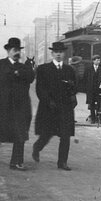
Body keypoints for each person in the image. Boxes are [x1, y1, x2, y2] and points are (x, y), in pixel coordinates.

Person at [0, 38, 35, 170]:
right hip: (2, 106)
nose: (17, 53)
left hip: (20, 106)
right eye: (14, 50)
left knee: (20, 133)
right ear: (8, 51)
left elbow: (31, 77)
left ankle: (16, 162)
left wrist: (18, 72)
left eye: (18, 50)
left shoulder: (23, 67)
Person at [33, 41, 78, 171]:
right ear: (52, 54)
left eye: (61, 52)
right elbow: (39, 89)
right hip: (49, 108)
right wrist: (48, 101)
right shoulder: (43, 69)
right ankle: (37, 147)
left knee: (65, 135)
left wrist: (71, 87)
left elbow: (75, 88)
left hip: (65, 108)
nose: (58, 54)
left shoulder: (70, 70)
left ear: (64, 54)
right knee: (47, 134)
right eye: (56, 52)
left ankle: (62, 162)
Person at [84, 55, 101, 123]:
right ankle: (92, 118)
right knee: (91, 104)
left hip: (99, 89)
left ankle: (99, 118)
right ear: (93, 61)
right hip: (91, 89)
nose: (98, 61)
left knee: (99, 104)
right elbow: (85, 78)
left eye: (99, 60)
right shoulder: (88, 68)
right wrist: (86, 88)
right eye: (97, 60)